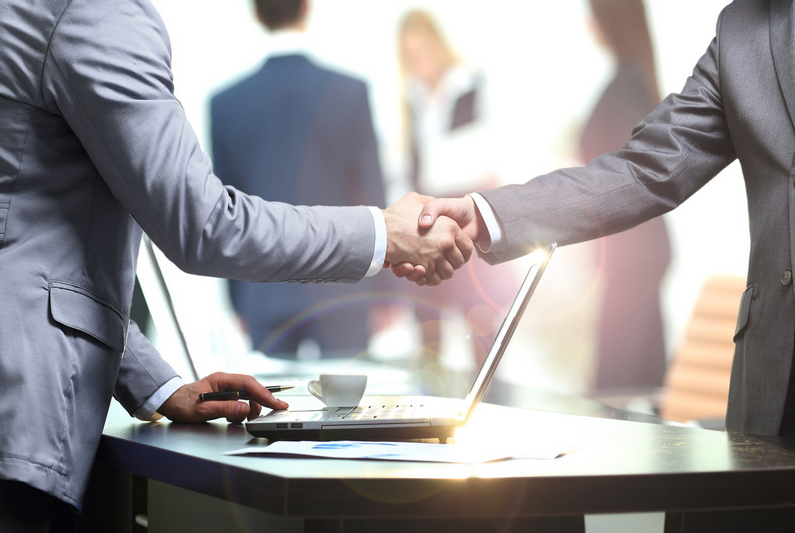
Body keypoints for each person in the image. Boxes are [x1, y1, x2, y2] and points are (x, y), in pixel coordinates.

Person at [0, 0, 472, 530]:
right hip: (14, 414)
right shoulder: (93, 12)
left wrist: (156, 384)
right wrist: (386, 233)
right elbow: (203, 224)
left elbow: (21, 237)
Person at [412, 0, 794, 441]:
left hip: (637, 269)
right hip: (776, 371)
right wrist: (487, 213)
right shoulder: (745, 29)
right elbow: (645, 168)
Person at [211, 0, 388, 359]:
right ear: (307, 8)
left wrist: (237, 299)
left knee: (272, 412)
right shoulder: (350, 90)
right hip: (344, 285)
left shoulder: (226, 103)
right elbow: (371, 191)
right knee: (351, 411)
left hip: (263, 287)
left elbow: (223, 209)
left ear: (257, 14)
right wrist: (385, 289)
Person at [397, 10, 514, 394]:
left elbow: (492, 154)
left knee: (479, 319)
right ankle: (430, 407)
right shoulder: (410, 99)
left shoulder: (471, 84)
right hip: (425, 225)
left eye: (421, 49)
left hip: (467, 222)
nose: (418, 60)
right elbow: (408, 165)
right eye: (408, 54)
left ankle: (489, 400)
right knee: (426, 321)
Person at [580, 0, 671, 393]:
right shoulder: (632, 78)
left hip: (633, 255)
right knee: (637, 380)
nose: (589, 23)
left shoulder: (626, 85)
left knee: (615, 384)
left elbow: (627, 177)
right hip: (635, 254)